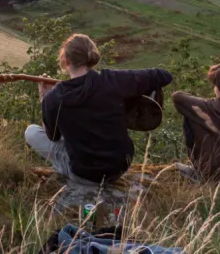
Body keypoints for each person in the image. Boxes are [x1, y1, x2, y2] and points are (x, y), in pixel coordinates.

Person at [25, 34, 173, 185]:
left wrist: (44, 98)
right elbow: (164, 76)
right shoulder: (113, 79)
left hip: (83, 174)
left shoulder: (54, 98)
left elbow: (53, 136)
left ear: (65, 61)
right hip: (119, 168)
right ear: (91, 57)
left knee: (31, 132)